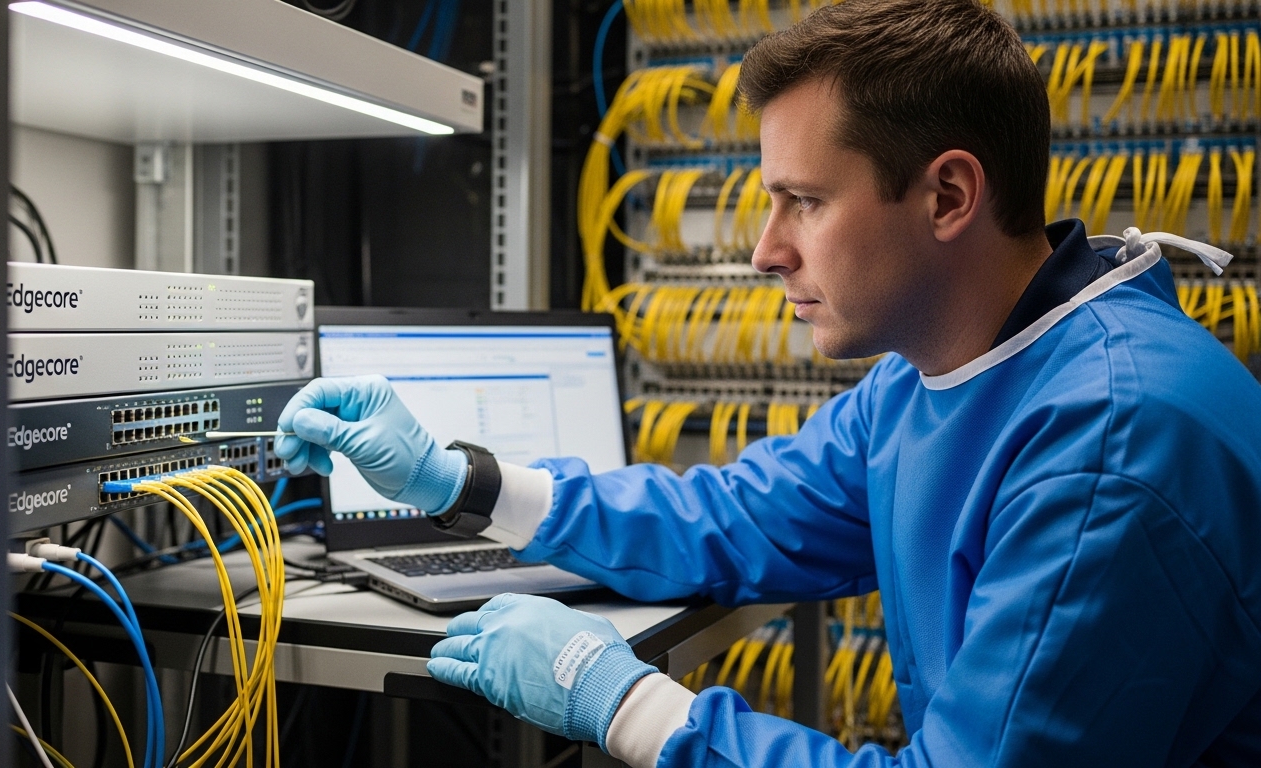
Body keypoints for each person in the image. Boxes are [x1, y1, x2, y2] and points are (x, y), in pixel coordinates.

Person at [273, 0, 1261, 764]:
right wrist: (456, 483)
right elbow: (733, 517)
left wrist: (627, 704)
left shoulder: (1109, 444)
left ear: (949, 195)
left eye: (804, 202)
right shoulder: (934, 381)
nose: (762, 251)